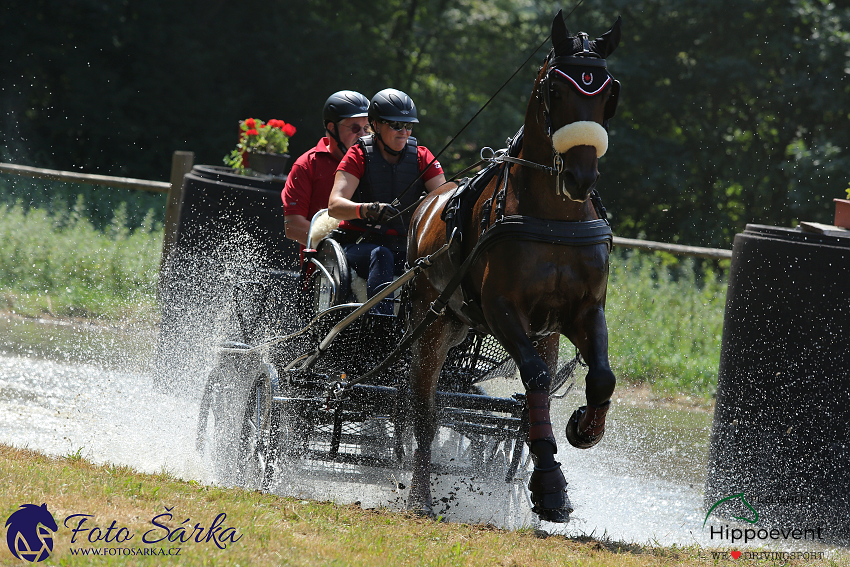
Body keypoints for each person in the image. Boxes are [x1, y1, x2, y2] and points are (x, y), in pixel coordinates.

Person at [328, 88, 446, 314]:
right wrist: (368, 210)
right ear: (375, 125)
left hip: (408, 249)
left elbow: (443, 200)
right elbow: (334, 206)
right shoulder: (357, 155)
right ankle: (380, 327)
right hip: (360, 247)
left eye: (409, 126)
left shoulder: (422, 157)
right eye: (396, 125)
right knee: (381, 255)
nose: (404, 132)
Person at [282, 90, 371, 247]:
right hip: (324, 268)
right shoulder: (306, 165)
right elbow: (293, 226)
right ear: (332, 128)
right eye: (355, 129)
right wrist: (338, 247)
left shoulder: (378, 161)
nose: (363, 135)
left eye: (367, 128)